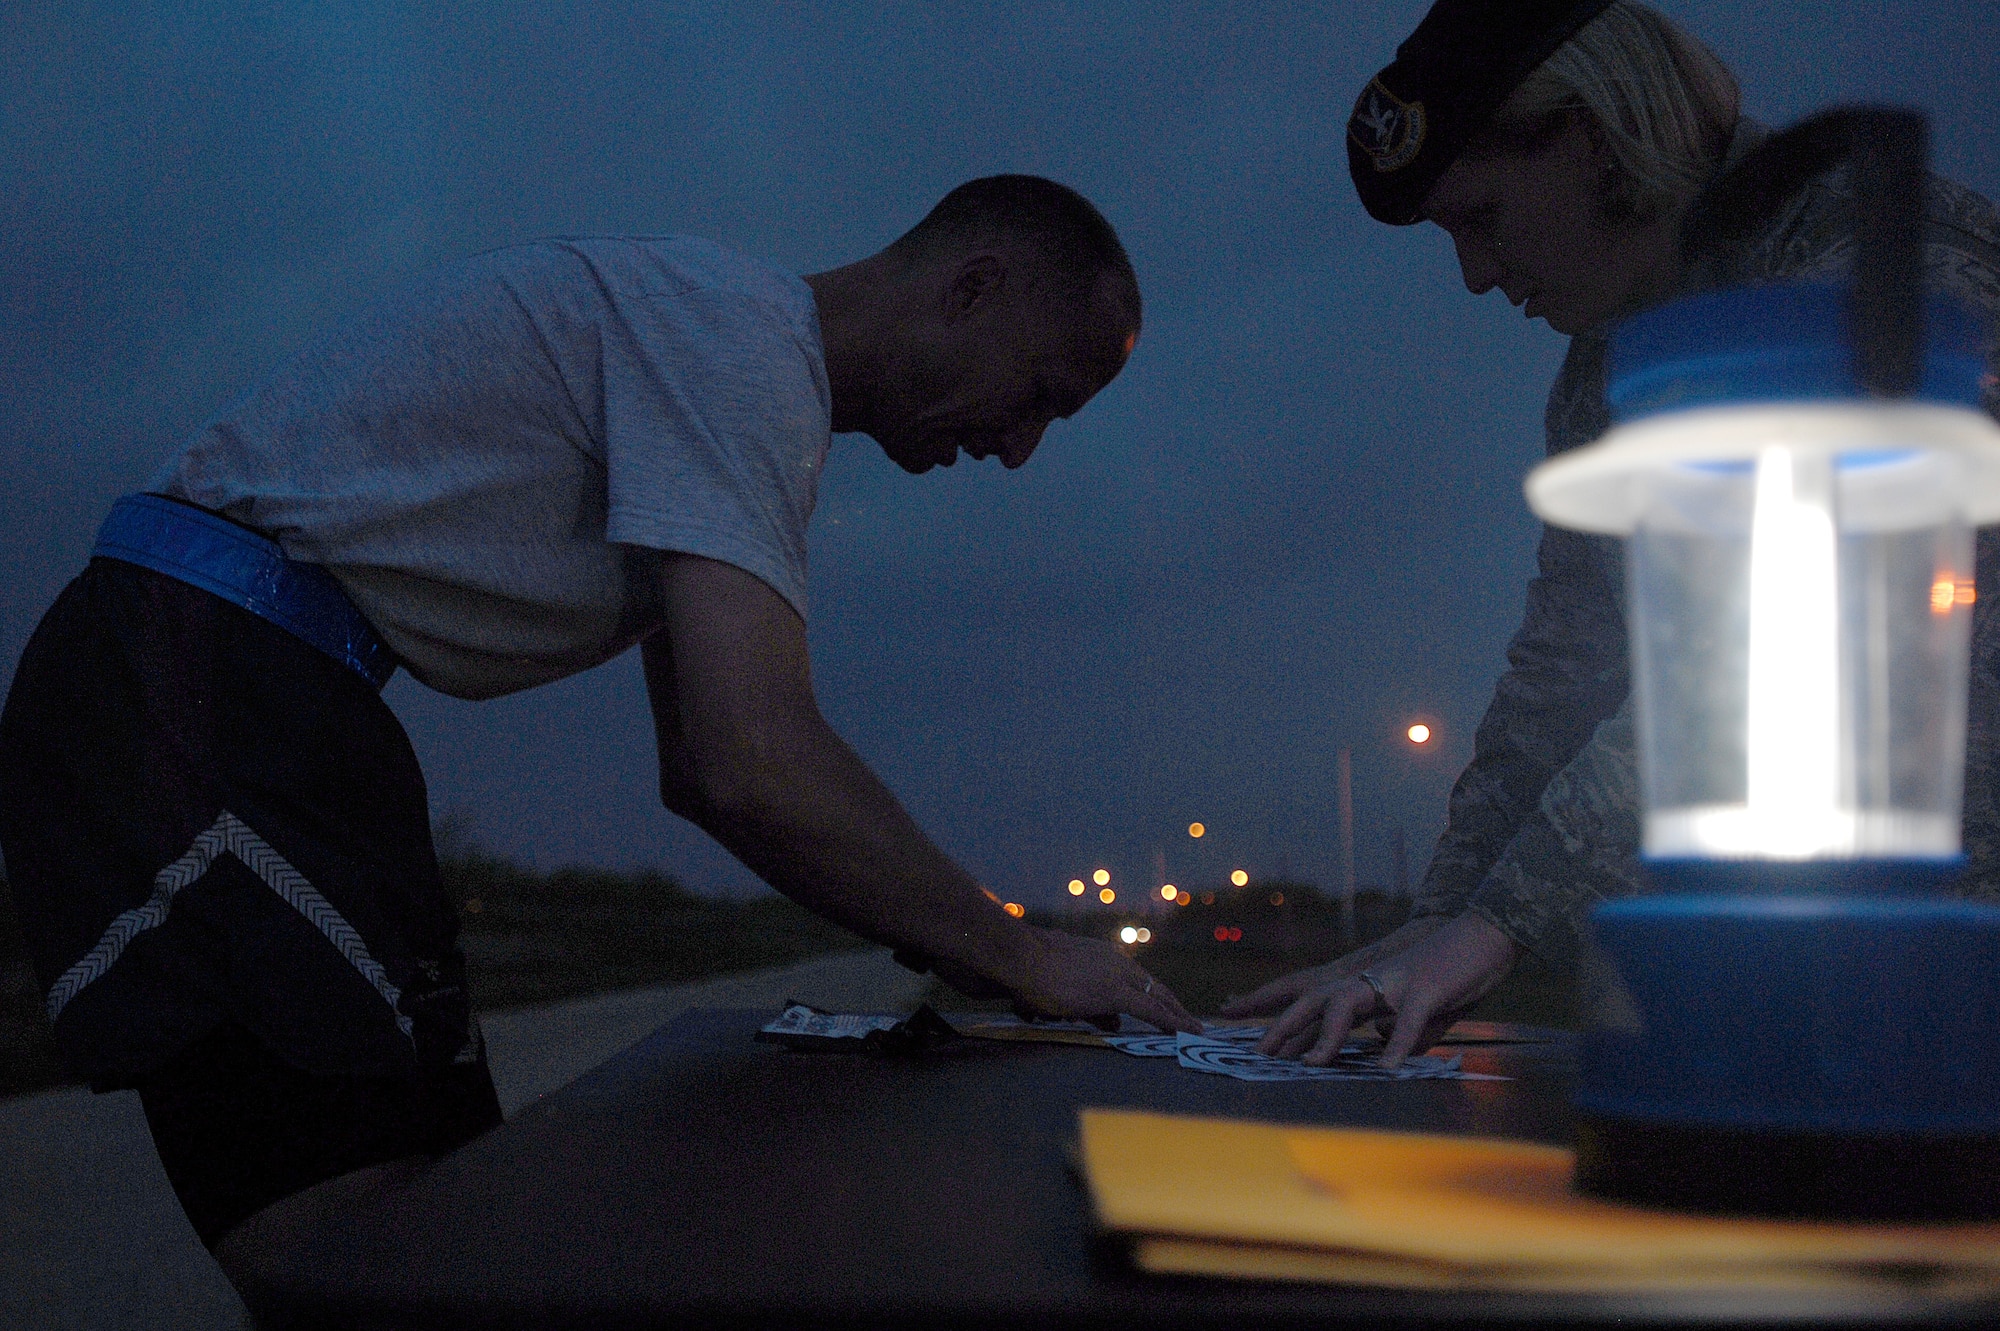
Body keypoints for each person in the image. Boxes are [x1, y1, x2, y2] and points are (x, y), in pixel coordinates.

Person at [0, 173, 1199, 1250]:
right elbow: (751, 758)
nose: (1018, 448)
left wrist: (967, 943)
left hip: (294, 706)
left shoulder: (724, 373)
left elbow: (702, 767)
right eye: (1040, 395)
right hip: (197, 679)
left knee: (446, 1208)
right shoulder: (739, 349)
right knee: (363, 1243)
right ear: (972, 289)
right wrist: (1023, 953)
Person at [1223, 0, 2000, 1065]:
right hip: (1817, 1000)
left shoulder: (1886, 269)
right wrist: (1433, 924)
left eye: (1482, 216)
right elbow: (1566, 669)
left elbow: (1822, 639)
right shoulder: (1612, 367)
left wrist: (1495, 927)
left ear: (1591, 139)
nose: (1475, 274)